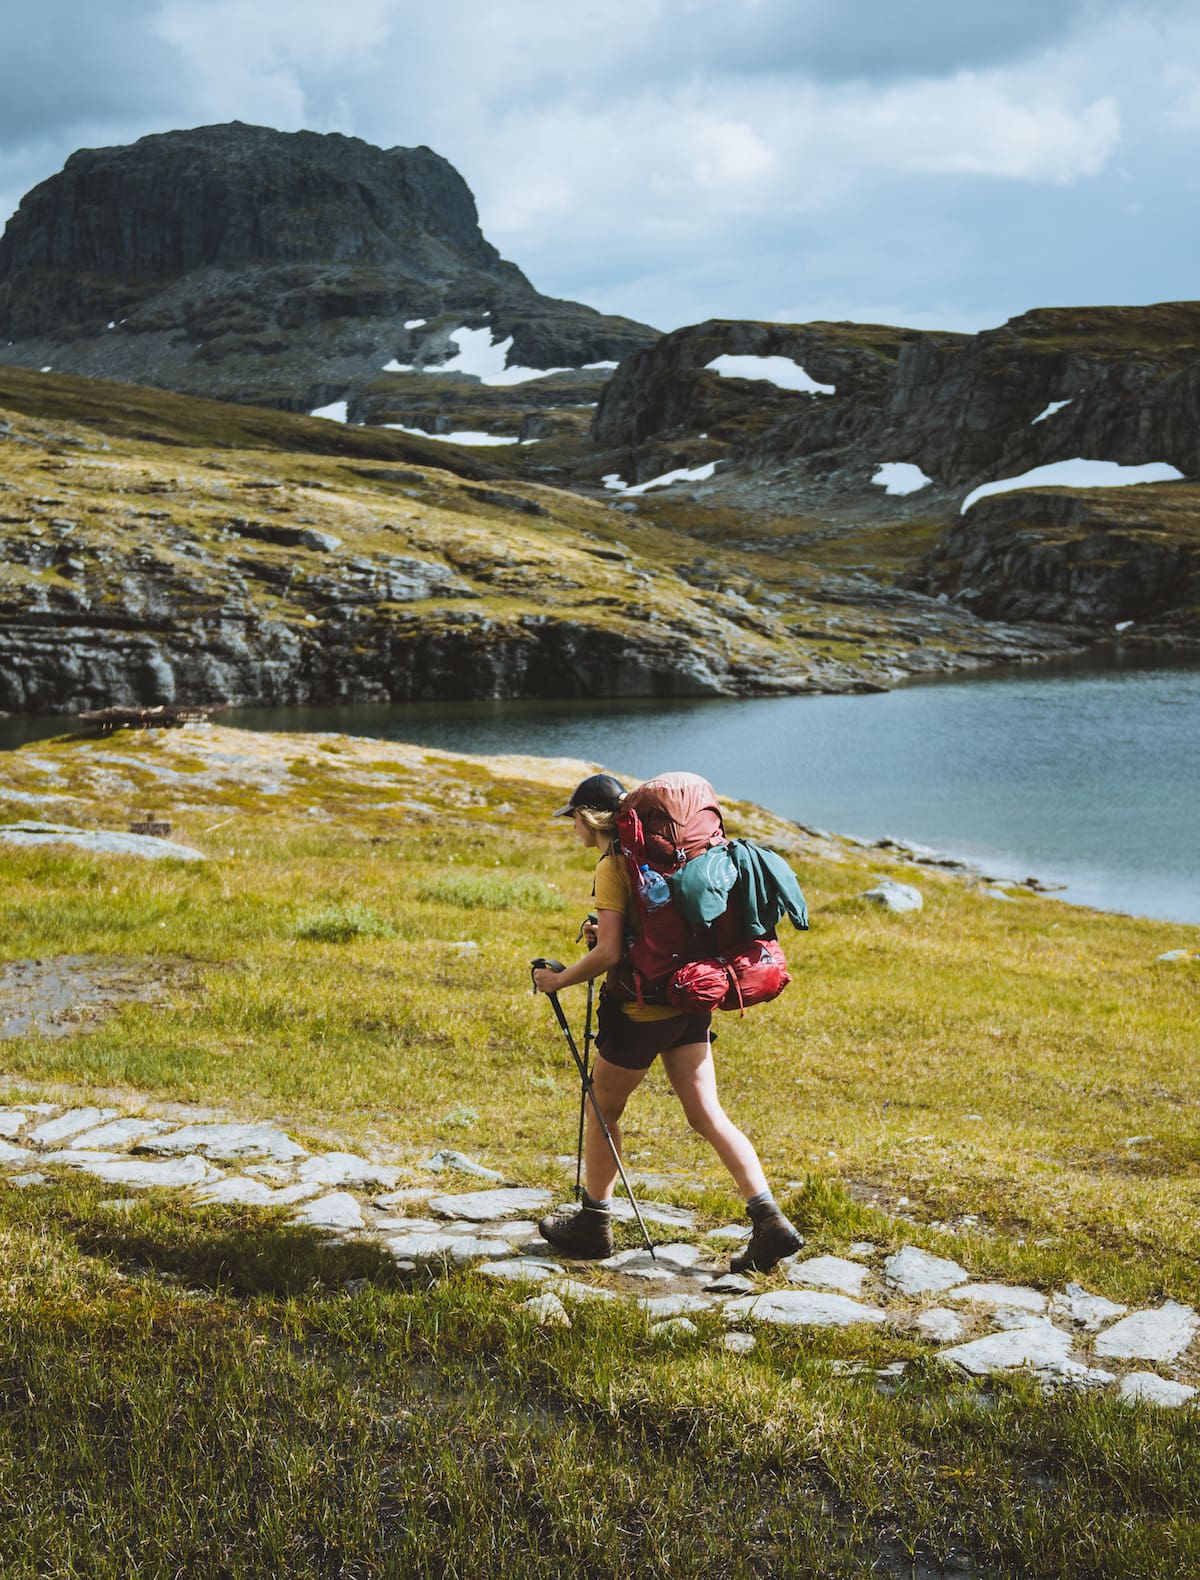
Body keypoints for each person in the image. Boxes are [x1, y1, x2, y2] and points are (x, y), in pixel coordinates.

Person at [531, 772, 802, 1273]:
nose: (572, 828)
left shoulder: (615, 866)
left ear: (591, 819)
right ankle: (770, 1219)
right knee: (707, 1117)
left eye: (574, 819)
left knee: (603, 1109)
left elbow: (611, 951)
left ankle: (594, 1223)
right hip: (690, 1001)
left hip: (638, 1011)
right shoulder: (674, 860)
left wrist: (561, 979)